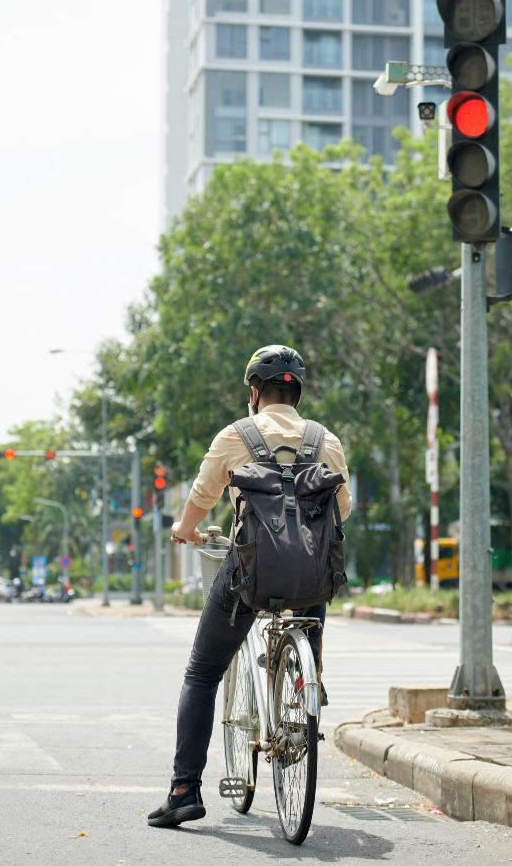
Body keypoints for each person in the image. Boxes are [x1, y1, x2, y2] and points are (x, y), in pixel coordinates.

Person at [148, 345, 352, 828]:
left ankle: (183, 790)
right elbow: (343, 508)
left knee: (202, 672)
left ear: (255, 392)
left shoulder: (235, 435)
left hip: (249, 577)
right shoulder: (327, 440)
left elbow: (201, 498)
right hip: (312, 580)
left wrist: (185, 530)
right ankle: (308, 677)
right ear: (297, 391)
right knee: (311, 595)